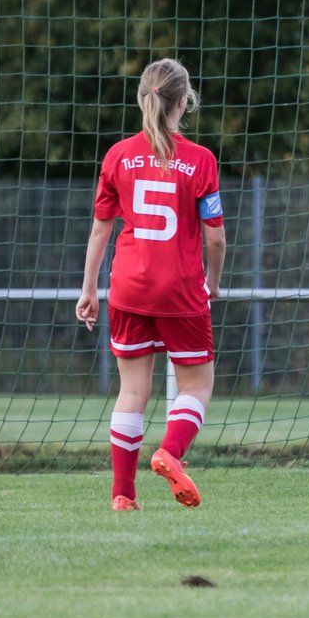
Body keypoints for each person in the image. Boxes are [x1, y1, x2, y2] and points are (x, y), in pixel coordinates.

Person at [76, 58, 226, 509]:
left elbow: (101, 229)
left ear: (144, 97)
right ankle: (169, 452)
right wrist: (212, 285)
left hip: (127, 287)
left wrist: (88, 290)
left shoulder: (118, 155)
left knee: (132, 390)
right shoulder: (201, 160)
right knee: (197, 386)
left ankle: (123, 495)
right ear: (184, 101)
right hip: (180, 289)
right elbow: (215, 237)